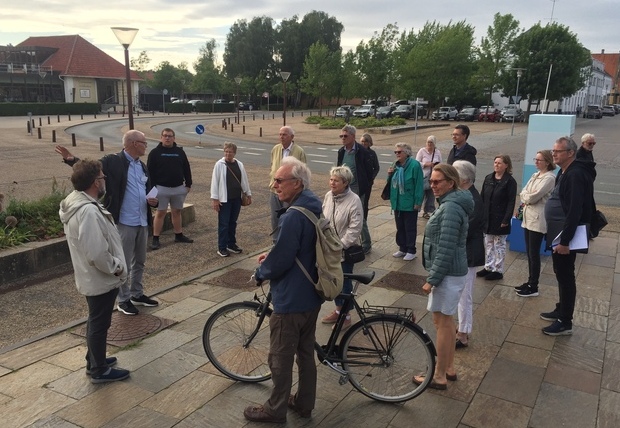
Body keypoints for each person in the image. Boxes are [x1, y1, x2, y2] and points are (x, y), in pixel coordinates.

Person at [243, 157, 324, 423]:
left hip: (291, 298)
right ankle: (304, 403)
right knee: (305, 354)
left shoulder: (292, 216)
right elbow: (300, 249)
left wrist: (260, 274)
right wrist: (276, 253)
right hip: (313, 293)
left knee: (279, 357)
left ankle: (274, 409)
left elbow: (283, 259)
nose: (274, 185)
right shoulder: (313, 205)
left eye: (279, 180)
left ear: (297, 183)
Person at [55, 130, 159, 316]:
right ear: (134, 143)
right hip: (124, 221)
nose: (146, 146)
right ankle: (123, 299)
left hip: (142, 220)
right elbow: (91, 170)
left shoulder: (142, 166)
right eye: (144, 142)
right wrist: (71, 159)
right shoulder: (114, 161)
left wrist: (153, 202)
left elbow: (147, 189)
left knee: (140, 261)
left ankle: (137, 293)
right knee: (123, 262)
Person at [58, 159, 130, 383]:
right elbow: (97, 252)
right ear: (95, 182)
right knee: (99, 323)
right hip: (100, 278)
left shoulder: (79, 202)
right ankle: (99, 370)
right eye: (102, 176)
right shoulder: (87, 211)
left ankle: (94, 359)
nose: (105, 179)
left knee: (96, 320)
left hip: (93, 277)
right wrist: (116, 268)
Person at [413, 163, 473, 390]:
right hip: (452, 273)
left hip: (448, 274)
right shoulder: (451, 203)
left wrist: (432, 279)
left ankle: (438, 375)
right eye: (431, 181)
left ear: (451, 182)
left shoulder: (450, 208)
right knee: (445, 322)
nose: (433, 185)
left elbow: (446, 248)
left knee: (443, 323)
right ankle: (448, 368)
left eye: (437, 181)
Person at [540, 137, 595, 336]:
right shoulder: (565, 171)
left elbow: (574, 210)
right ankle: (561, 308)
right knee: (560, 272)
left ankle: (565, 320)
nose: (553, 154)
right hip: (558, 231)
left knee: (565, 275)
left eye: (558, 151)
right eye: (553, 151)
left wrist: (565, 241)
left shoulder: (575, 174)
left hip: (565, 234)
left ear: (570, 153)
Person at [320, 166, 363, 328]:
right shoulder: (328, 196)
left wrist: (341, 245)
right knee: (334, 281)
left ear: (345, 182)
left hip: (345, 250)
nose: (332, 183)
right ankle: (338, 311)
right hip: (329, 248)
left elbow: (355, 228)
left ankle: (346, 316)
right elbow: (323, 218)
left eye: (336, 180)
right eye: (331, 179)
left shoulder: (354, 200)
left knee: (344, 282)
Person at [514, 150, 556, 297]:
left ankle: (534, 285)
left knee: (534, 253)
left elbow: (533, 197)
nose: (536, 162)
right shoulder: (535, 175)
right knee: (529, 253)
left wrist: (527, 197)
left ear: (548, 162)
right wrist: (527, 196)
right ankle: (530, 280)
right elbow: (524, 192)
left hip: (538, 219)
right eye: (535, 159)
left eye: (539, 160)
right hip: (528, 217)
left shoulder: (549, 178)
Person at [452, 160, 484, 348]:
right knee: (461, 294)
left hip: (469, 253)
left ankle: (463, 332)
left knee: (465, 295)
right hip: (464, 252)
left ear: (463, 179)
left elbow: (466, 230)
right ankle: (461, 327)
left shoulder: (472, 199)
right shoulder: (465, 195)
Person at [147, 128, 193, 250]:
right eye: (165, 136)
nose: (167, 138)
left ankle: (179, 235)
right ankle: (156, 238)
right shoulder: (155, 153)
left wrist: (188, 184)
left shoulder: (180, 152)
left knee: (177, 212)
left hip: (178, 188)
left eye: (170, 136)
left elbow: (186, 168)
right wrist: (152, 189)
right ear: (161, 137)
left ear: (174, 138)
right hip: (161, 188)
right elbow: (149, 172)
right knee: (160, 212)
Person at [477, 155, 517, 281]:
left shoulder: (510, 181)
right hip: (488, 217)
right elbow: (482, 197)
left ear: (506, 165)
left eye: (500, 163)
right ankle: (488, 266)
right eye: (495, 162)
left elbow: (511, 202)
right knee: (488, 243)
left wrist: (506, 219)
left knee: (499, 245)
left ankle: (498, 270)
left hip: (500, 218)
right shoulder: (488, 178)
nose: (496, 165)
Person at [337, 125, 375, 254]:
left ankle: (366, 243)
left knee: (359, 216)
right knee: (344, 214)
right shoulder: (341, 151)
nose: (343, 138)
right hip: (345, 188)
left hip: (358, 189)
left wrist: (365, 186)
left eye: (345, 136)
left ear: (353, 136)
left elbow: (370, 172)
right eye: (341, 136)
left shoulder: (362, 151)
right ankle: (348, 240)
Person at [210, 142, 252, 257]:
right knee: (224, 224)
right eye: (226, 151)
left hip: (236, 199)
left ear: (234, 153)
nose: (228, 154)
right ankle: (222, 247)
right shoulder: (219, 164)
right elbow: (215, 182)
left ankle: (231, 244)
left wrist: (248, 194)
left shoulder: (239, 164)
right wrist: (215, 199)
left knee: (233, 222)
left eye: (230, 152)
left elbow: (244, 180)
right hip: (224, 200)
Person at [387, 142, 424, 261]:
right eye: (395, 152)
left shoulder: (415, 165)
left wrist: (418, 201)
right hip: (397, 201)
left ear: (407, 153)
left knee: (410, 227)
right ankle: (402, 248)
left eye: (399, 152)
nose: (397, 154)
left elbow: (419, 184)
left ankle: (411, 250)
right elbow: (391, 183)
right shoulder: (395, 164)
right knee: (400, 227)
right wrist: (389, 174)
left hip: (409, 202)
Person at [269, 126, 307, 233]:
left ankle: (287, 241)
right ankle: (276, 243)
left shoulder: (299, 151)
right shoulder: (275, 149)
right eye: (280, 134)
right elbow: (272, 166)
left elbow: (303, 173)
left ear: (292, 137)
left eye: (284, 134)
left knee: (288, 218)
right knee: (275, 219)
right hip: (275, 190)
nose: (281, 137)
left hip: (290, 192)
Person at [360, 133, 380, 253]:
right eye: (362, 141)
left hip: (367, 183)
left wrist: (371, 178)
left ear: (369, 143)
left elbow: (376, 167)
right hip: (359, 183)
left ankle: (364, 221)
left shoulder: (372, 154)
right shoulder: (358, 152)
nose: (363, 144)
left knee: (365, 203)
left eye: (365, 142)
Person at [416, 135, 442, 218]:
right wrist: (425, 164)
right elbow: (416, 163)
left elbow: (440, 163)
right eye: (428, 142)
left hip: (433, 176)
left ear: (434, 144)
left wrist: (436, 166)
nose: (429, 144)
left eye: (431, 142)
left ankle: (428, 211)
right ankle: (416, 209)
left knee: (431, 194)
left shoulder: (437, 152)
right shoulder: (422, 151)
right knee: (421, 193)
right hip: (423, 176)